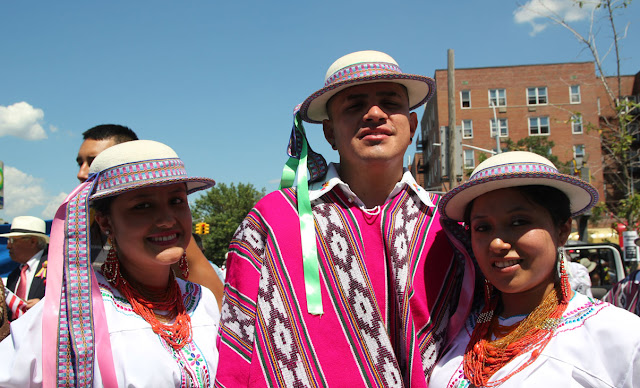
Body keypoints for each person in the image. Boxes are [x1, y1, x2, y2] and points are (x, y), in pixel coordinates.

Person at [215, 50, 474, 386]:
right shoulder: (273, 219)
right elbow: (237, 338)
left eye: (390, 102)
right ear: (329, 133)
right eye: (354, 106)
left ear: (411, 126)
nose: (375, 114)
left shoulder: (453, 221)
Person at [0, 140, 220, 387]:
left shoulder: (202, 301)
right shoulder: (73, 314)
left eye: (177, 201)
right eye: (143, 206)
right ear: (106, 223)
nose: (168, 220)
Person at [430, 151, 640, 387]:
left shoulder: (619, 337)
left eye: (519, 222)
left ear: (562, 231)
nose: (497, 243)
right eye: (483, 227)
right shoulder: (454, 328)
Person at [75, 123, 224, 307]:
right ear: (105, 222)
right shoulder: (74, 229)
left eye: (93, 162)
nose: (82, 173)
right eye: (80, 163)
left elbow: (215, 310)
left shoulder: (200, 300)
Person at [0, 216, 49, 319]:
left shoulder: (55, 267)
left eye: (13, 241)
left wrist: (44, 306)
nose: (8, 246)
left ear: (33, 242)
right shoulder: (14, 276)